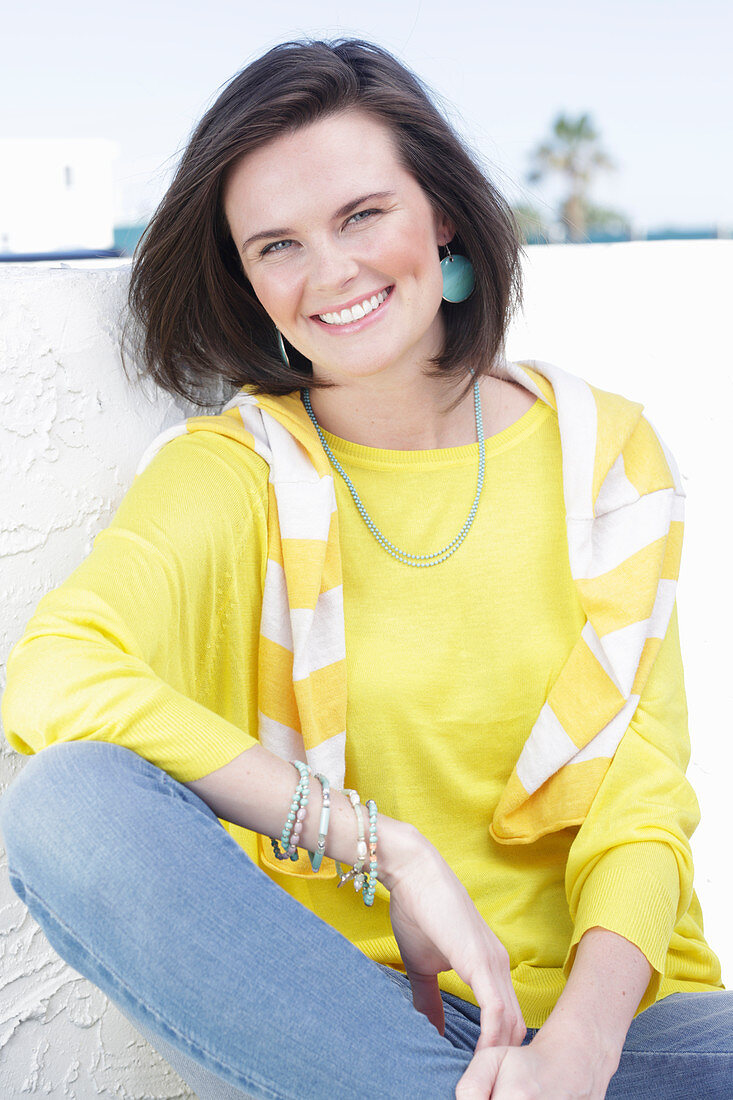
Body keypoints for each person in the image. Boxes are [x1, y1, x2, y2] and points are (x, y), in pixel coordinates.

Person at [0, 38, 729, 1100]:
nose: (331, 271)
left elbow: (640, 801)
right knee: (66, 802)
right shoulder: (233, 476)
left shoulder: (607, 457)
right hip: (357, 1023)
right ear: (247, 282)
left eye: (361, 215)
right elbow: (55, 672)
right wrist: (384, 846)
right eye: (277, 244)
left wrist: (577, 1050)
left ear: (440, 217)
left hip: (619, 1035)